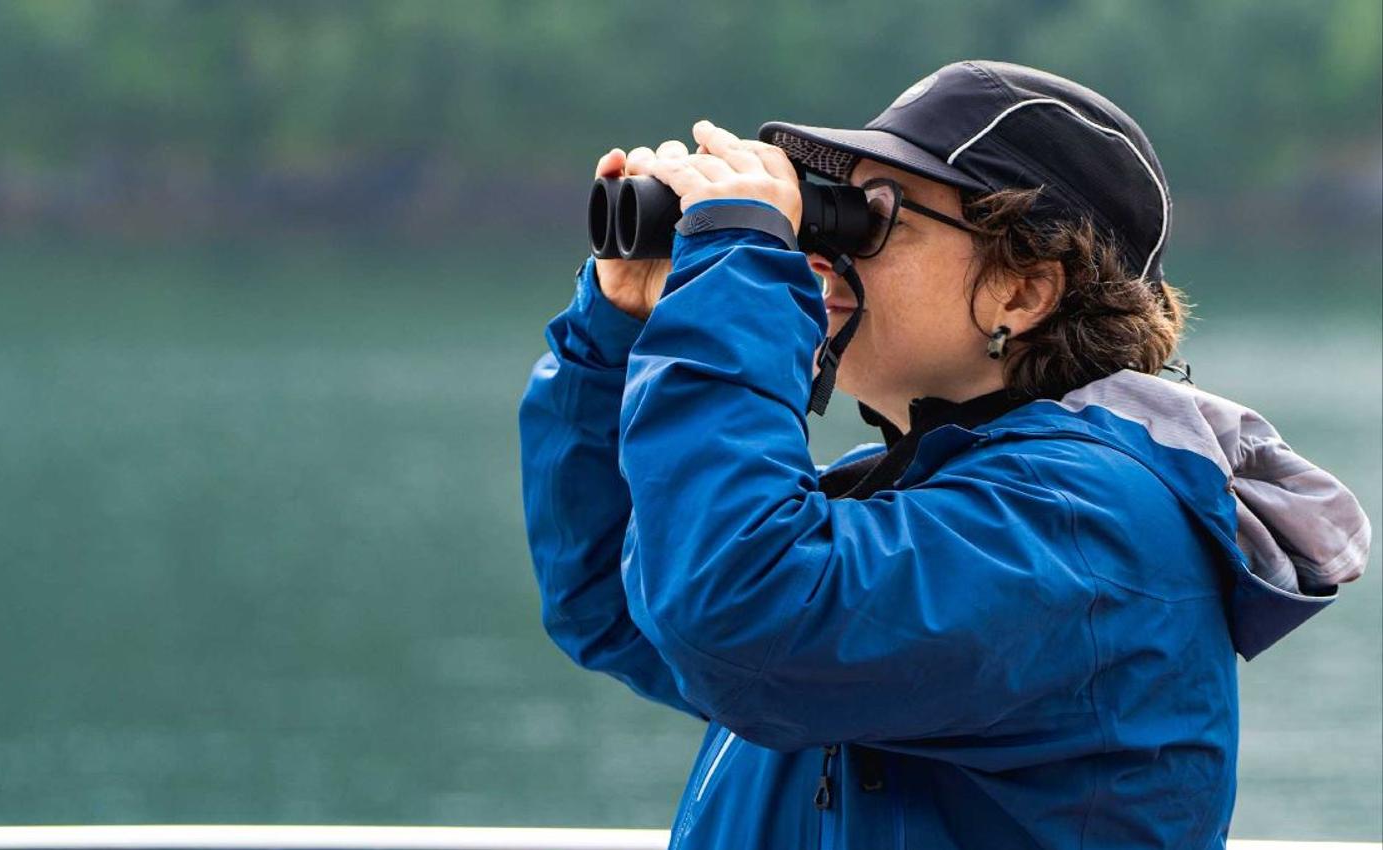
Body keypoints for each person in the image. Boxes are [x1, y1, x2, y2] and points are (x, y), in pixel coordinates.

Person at [517, 60, 1371, 849]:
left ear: (1024, 288)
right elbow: (616, 604)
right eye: (827, 208)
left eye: (874, 217)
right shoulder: (916, 497)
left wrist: (738, 267)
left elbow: (739, 614)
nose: (823, 251)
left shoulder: (1089, 529)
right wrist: (618, 332)